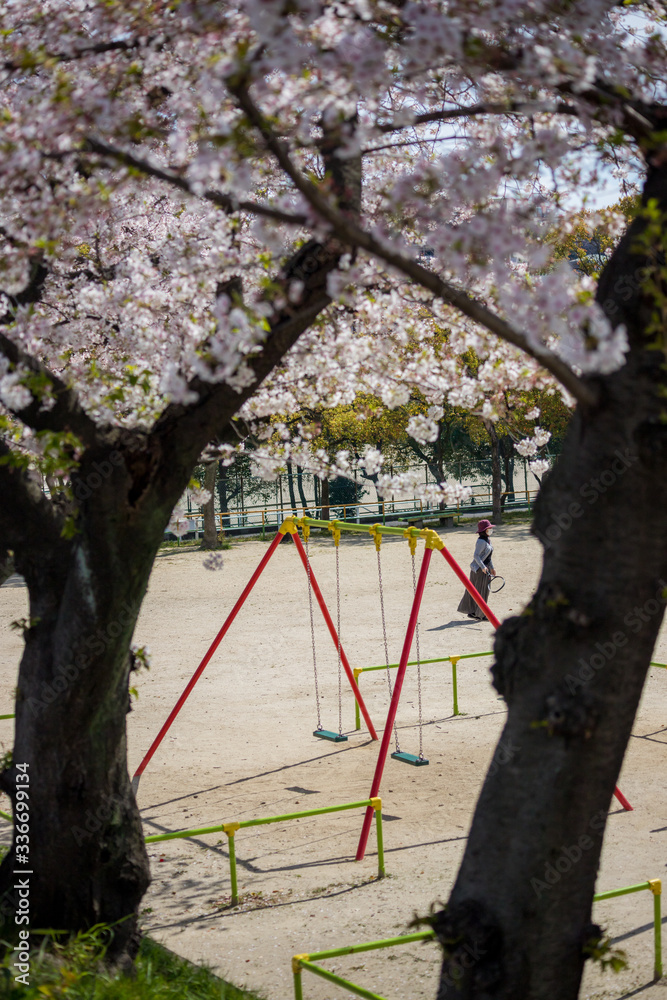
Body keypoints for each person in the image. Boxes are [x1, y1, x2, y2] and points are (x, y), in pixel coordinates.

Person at [457, 519, 496, 620]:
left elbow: (488, 557)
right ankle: (480, 614)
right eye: (489, 528)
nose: (491, 530)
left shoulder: (488, 540)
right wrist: (483, 567)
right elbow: (476, 555)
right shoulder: (481, 541)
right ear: (484, 530)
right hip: (479, 570)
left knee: (481, 591)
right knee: (481, 591)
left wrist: (492, 568)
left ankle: (477, 612)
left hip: (485, 569)